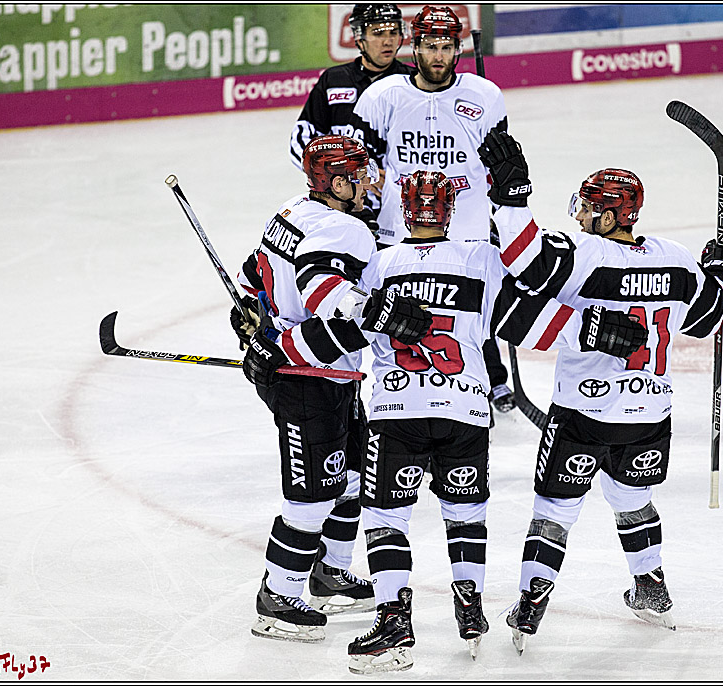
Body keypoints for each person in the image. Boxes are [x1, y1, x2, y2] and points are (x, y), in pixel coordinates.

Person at [344, 170, 648, 674]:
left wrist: (287, 351)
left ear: (402, 207)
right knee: (465, 515)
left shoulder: (379, 263)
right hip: (465, 411)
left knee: (385, 520)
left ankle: (394, 622)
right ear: (449, 210)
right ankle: (470, 611)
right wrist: (593, 330)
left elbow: (349, 328)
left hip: (397, 412)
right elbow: (524, 318)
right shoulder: (480, 258)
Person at [478, 130, 723, 650]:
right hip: (648, 414)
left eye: (587, 208)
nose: (578, 215)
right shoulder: (676, 258)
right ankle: (651, 587)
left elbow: (527, 262)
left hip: (583, 413)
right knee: (634, 498)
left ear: (607, 215)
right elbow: (708, 316)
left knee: (555, 509)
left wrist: (510, 200)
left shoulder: (584, 254)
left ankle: (532, 601)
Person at [230, 134, 432, 643]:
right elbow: (326, 297)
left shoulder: (292, 211)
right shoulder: (346, 229)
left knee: (355, 476)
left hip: (326, 371)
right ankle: (278, 597)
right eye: (361, 175)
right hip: (305, 377)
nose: (370, 184)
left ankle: (329, 573)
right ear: (338, 183)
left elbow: (251, 274)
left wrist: (250, 319)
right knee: (312, 496)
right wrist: (382, 313)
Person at [348, 4, 516, 413]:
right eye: (429, 46)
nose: (438, 55)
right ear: (415, 46)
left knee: (473, 314)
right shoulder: (382, 96)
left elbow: (502, 162)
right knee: (395, 313)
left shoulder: (485, 96)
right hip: (399, 230)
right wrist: (369, 184)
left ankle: (480, 384)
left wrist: (502, 203)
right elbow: (358, 156)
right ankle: (397, 384)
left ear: (457, 49)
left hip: (467, 230)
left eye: (446, 46)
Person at [289, 4, 412, 239]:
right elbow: (301, 139)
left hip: (399, 208)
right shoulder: (333, 80)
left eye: (393, 32)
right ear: (359, 37)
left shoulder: (411, 83)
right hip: (341, 202)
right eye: (378, 33)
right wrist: (339, 176)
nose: (388, 41)